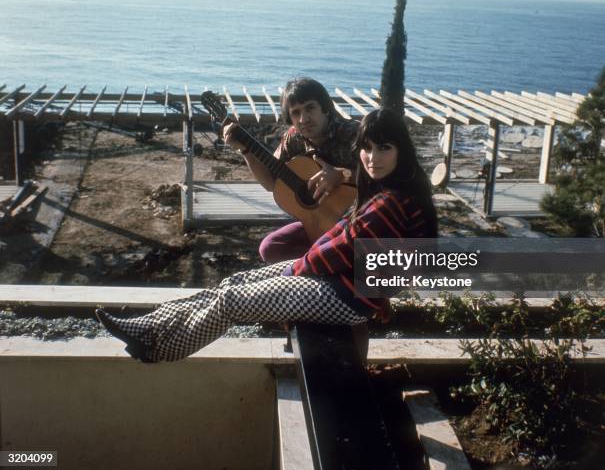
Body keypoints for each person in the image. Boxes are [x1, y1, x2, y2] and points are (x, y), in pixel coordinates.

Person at [95, 109, 438, 363]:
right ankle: (149, 325)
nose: (372, 158)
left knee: (231, 302)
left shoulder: (392, 202)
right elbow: (351, 240)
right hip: (339, 285)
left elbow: (345, 250)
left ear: (401, 150)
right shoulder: (388, 187)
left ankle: (158, 348)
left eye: (384, 149)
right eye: (367, 148)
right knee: (233, 283)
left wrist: (299, 269)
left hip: (343, 297)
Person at [223, 77, 359, 262]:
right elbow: (272, 183)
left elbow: (387, 177)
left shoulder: (354, 134)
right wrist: (245, 150)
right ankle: (320, 264)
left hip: (357, 220)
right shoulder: (293, 138)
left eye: (310, 108)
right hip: (318, 224)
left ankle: (323, 263)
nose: (304, 119)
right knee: (270, 248)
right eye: (296, 113)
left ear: (325, 108)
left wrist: (343, 175)